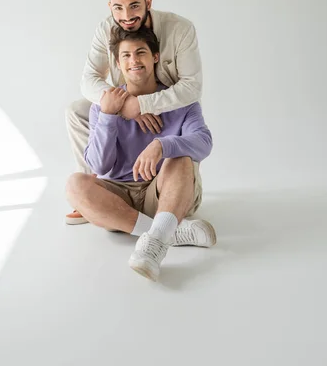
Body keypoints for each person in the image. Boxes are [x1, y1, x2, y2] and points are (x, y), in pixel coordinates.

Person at [66, 26, 215, 281]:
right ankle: (167, 232)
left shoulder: (179, 100)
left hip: (164, 192)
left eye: (140, 53)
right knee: (75, 185)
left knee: (180, 157)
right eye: (126, 55)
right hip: (118, 196)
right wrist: (109, 115)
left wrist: (162, 145)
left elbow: (203, 142)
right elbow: (100, 166)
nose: (133, 61)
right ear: (117, 62)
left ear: (155, 56)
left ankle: (155, 243)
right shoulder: (104, 105)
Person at [66, 0, 203, 224]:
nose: (127, 16)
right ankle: (94, 187)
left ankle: (171, 202)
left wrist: (144, 103)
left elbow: (192, 87)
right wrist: (122, 105)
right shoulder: (106, 28)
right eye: (118, 8)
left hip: (169, 105)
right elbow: (89, 79)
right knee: (77, 110)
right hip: (129, 99)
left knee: (180, 149)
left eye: (134, 6)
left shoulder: (180, 29)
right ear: (110, 7)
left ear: (148, 3)